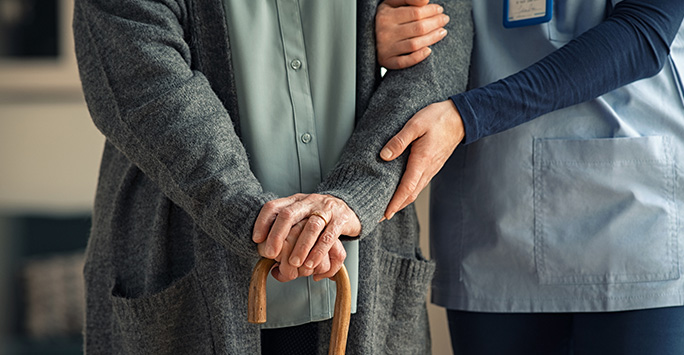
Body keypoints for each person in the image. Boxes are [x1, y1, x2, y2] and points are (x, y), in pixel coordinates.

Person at [72, 0, 471, 353]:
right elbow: (147, 85)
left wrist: (355, 195)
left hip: (362, 272)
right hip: (188, 271)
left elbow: (438, 53)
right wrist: (258, 219)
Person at [376, 0, 684, 353]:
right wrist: (381, 39)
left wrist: (469, 116)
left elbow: (644, 34)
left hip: (631, 224)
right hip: (491, 223)